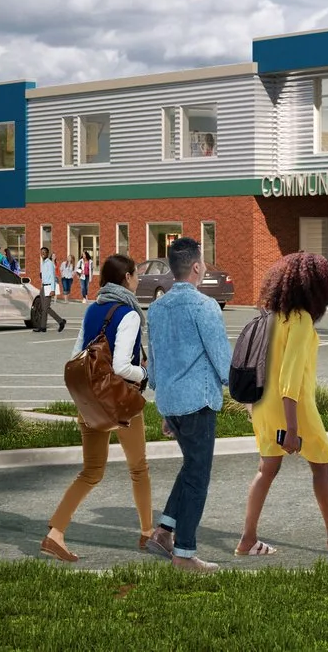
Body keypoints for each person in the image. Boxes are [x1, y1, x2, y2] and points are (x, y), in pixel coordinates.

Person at [237, 253, 328, 556]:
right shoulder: (301, 319)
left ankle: (247, 539)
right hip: (293, 406)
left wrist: (251, 407)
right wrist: (293, 427)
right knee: (322, 464)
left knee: (266, 468)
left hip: (262, 403)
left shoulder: (270, 316)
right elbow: (291, 375)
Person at [43, 255, 153, 562]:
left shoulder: (93, 309)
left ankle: (55, 533)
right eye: (135, 275)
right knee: (138, 468)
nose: (137, 280)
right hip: (121, 403)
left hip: (91, 401)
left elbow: (77, 353)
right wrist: (143, 373)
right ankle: (147, 534)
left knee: (91, 471)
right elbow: (121, 365)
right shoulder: (129, 314)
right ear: (127, 278)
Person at [147, 236, 230, 573]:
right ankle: (183, 554)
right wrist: (247, 391)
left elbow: (154, 364)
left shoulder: (156, 308)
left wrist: (165, 408)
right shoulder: (204, 307)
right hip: (197, 402)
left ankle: (164, 531)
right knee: (198, 475)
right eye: (204, 261)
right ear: (196, 267)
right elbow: (222, 361)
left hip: (169, 400)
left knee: (191, 466)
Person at [33, 248, 68, 333]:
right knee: (43, 308)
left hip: (49, 287)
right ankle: (43, 327)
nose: (43, 254)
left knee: (46, 308)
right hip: (43, 287)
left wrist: (52, 290)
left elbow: (52, 277)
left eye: (44, 252)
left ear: (47, 254)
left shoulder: (49, 264)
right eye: (42, 252)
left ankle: (60, 321)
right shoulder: (43, 263)